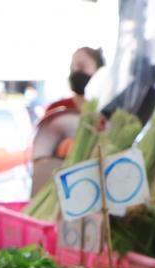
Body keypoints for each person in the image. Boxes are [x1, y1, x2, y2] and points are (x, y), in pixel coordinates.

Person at [30, 46, 106, 196]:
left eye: (82, 66)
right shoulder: (56, 108)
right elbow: (41, 152)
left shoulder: (105, 112)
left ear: (99, 71)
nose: (75, 71)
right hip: (55, 187)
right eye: (72, 67)